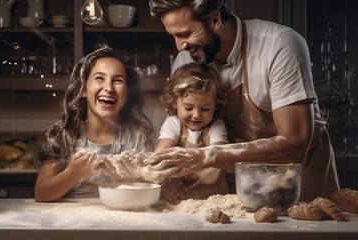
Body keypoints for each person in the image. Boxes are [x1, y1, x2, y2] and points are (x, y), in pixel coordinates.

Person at [142, 0, 339, 201]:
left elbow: (294, 145)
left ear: (215, 19)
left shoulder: (279, 45)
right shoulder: (186, 60)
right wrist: (164, 177)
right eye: (173, 36)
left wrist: (206, 156)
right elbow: (179, 132)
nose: (180, 46)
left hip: (302, 179)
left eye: (185, 34)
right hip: (247, 185)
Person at [34, 45, 154, 202]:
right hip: (72, 222)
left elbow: (151, 192)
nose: (109, 88)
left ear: (126, 94)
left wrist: (133, 179)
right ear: (84, 89)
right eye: (99, 78)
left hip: (122, 222)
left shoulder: (137, 140)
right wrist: (73, 173)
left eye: (118, 80)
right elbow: (41, 194)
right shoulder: (65, 135)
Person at [155, 62, 228, 202]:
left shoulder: (216, 126)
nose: (196, 115)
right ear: (175, 102)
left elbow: (217, 155)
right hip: (179, 200)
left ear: (215, 105)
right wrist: (167, 180)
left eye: (205, 109)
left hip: (215, 200)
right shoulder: (174, 123)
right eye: (188, 108)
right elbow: (160, 155)